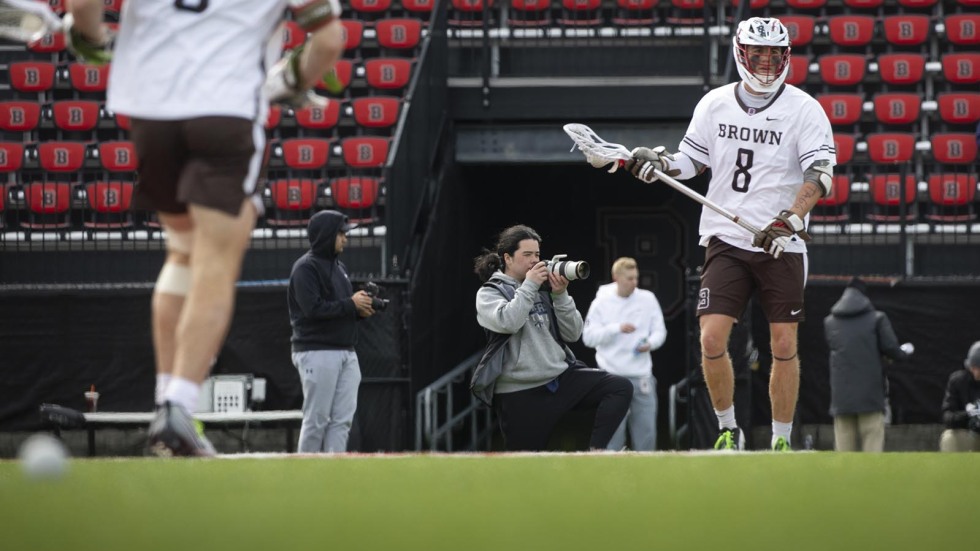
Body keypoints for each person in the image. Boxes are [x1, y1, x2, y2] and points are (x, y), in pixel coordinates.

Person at [65, 0, 345, 456]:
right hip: (225, 109)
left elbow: (83, 7)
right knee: (215, 262)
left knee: (181, 253)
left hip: (152, 111)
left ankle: (164, 404)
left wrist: (90, 38)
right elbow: (329, 41)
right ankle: (178, 407)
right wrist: (292, 81)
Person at [615, 17, 836, 451]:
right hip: (726, 238)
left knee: (783, 341)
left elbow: (821, 173)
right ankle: (727, 430)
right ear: (741, 53)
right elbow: (691, 162)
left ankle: (780, 439)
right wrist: (658, 165)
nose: (767, 62)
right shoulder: (714, 104)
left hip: (780, 241)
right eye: (759, 53)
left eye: (775, 54)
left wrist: (791, 218)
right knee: (712, 337)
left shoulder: (804, 108)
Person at [473, 225, 633, 451]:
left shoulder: (543, 288)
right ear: (507, 258)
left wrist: (561, 295)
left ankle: (597, 454)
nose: (534, 260)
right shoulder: (490, 291)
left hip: (559, 378)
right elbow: (508, 321)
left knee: (619, 387)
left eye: (537, 254)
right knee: (524, 467)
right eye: (527, 255)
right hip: (520, 392)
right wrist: (529, 285)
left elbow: (573, 333)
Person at [288, 210, 374, 453]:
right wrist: (351, 305)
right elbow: (312, 310)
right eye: (341, 233)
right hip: (317, 350)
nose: (345, 238)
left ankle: (333, 473)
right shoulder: (305, 268)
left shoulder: (340, 267)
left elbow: (338, 308)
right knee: (317, 420)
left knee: (341, 420)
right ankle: (306, 475)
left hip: (346, 351)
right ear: (327, 235)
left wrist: (360, 311)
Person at [582, 257, 668, 451]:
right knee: (612, 437)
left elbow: (660, 332)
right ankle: (611, 478)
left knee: (646, 436)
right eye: (629, 278)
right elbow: (588, 337)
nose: (634, 283)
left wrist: (650, 343)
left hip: (641, 376)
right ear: (616, 277)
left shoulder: (647, 299)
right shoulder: (601, 301)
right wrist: (616, 328)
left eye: (636, 278)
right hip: (611, 377)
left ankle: (646, 477)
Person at [823, 277, 914, 452]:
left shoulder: (830, 323)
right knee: (872, 452)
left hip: (841, 400)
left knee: (844, 457)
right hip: (870, 397)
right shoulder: (877, 319)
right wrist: (904, 353)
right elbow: (891, 349)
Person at [939, 341, 980, 452]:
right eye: (974, 367)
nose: (976, 372)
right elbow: (948, 417)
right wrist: (970, 414)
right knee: (949, 437)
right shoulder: (958, 381)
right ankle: (952, 468)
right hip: (969, 433)